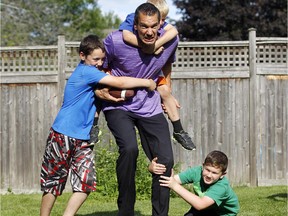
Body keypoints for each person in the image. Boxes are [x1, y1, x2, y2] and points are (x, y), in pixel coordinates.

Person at [39, 34, 156, 216]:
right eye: (95, 59)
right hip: (62, 134)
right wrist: (147, 82)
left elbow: (107, 92)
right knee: (53, 183)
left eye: (102, 59)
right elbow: (119, 82)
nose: (100, 63)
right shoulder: (86, 72)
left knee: (85, 183)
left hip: (84, 139)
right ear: (82, 56)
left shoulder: (95, 76)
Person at [96, 3, 176, 216]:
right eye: (143, 26)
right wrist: (103, 93)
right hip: (118, 105)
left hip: (149, 106)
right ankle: (126, 211)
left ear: (160, 24)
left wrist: (166, 93)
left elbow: (166, 66)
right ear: (135, 25)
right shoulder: (115, 41)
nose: (149, 31)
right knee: (129, 149)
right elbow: (99, 68)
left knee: (165, 159)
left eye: (153, 26)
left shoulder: (170, 41)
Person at [119, 0, 196, 151]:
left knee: (166, 92)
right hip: (133, 73)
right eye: (160, 20)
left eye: (163, 20)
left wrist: (156, 44)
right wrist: (148, 47)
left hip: (153, 74)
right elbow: (126, 36)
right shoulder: (132, 17)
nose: (162, 23)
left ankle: (179, 129)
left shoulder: (161, 22)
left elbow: (174, 31)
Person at [159, 150, 240, 216]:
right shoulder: (196, 172)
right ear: (203, 166)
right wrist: (152, 168)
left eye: (214, 173)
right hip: (206, 209)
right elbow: (171, 180)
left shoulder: (222, 186)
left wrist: (175, 186)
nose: (209, 175)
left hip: (223, 213)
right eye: (207, 170)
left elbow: (200, 204)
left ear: (222, 175)